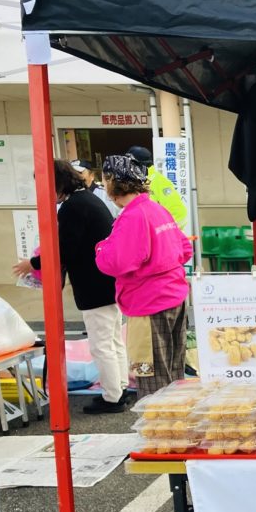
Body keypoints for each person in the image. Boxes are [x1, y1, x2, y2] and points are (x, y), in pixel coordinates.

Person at [12, 160, 130, 414]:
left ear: (57, 184)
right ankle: (119, 389)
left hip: (94, 285)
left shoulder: (73, 207)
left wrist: (32, 263)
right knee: (112, 341)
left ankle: (112, 398)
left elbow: (64, 250)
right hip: (109, 282)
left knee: (101, 345)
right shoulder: (88, 200)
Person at [95, 154, 193, 397]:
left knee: (151, 379)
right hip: (174, 296)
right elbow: (185, 249)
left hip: (148, 303)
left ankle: (159, 422)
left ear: (113, 182)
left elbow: (116, 262)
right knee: (173, 372)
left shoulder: (132, 216)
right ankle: (176, 418)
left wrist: (101, 248)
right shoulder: (156, 209)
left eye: (104, 180)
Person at [125, 146, 189, 231]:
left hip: (164, 237)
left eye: (129, 164)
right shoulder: (135, 182)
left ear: (138, 165)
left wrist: (159, 231)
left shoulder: (159, 181)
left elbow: (179, 213)